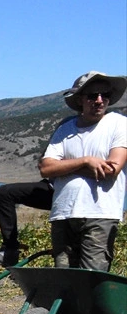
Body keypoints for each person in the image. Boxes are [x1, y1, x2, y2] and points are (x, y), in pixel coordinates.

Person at [38, 71, 126, 273]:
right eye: (92, 96)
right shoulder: (66, 129)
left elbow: (112, 169)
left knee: (91, 278)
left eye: (105, 95)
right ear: (80, 100)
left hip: (99, 213)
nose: (99, 100)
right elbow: (45, 168)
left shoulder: (119, 124)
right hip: (64, 212)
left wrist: (65, 167)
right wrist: (86, 161)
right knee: (64, 276)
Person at [0, 179, 54, 267]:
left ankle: (9, 251)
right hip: (55, 184)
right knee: (4, 193)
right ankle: (9, 250)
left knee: (5, 193)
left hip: (65, 190)